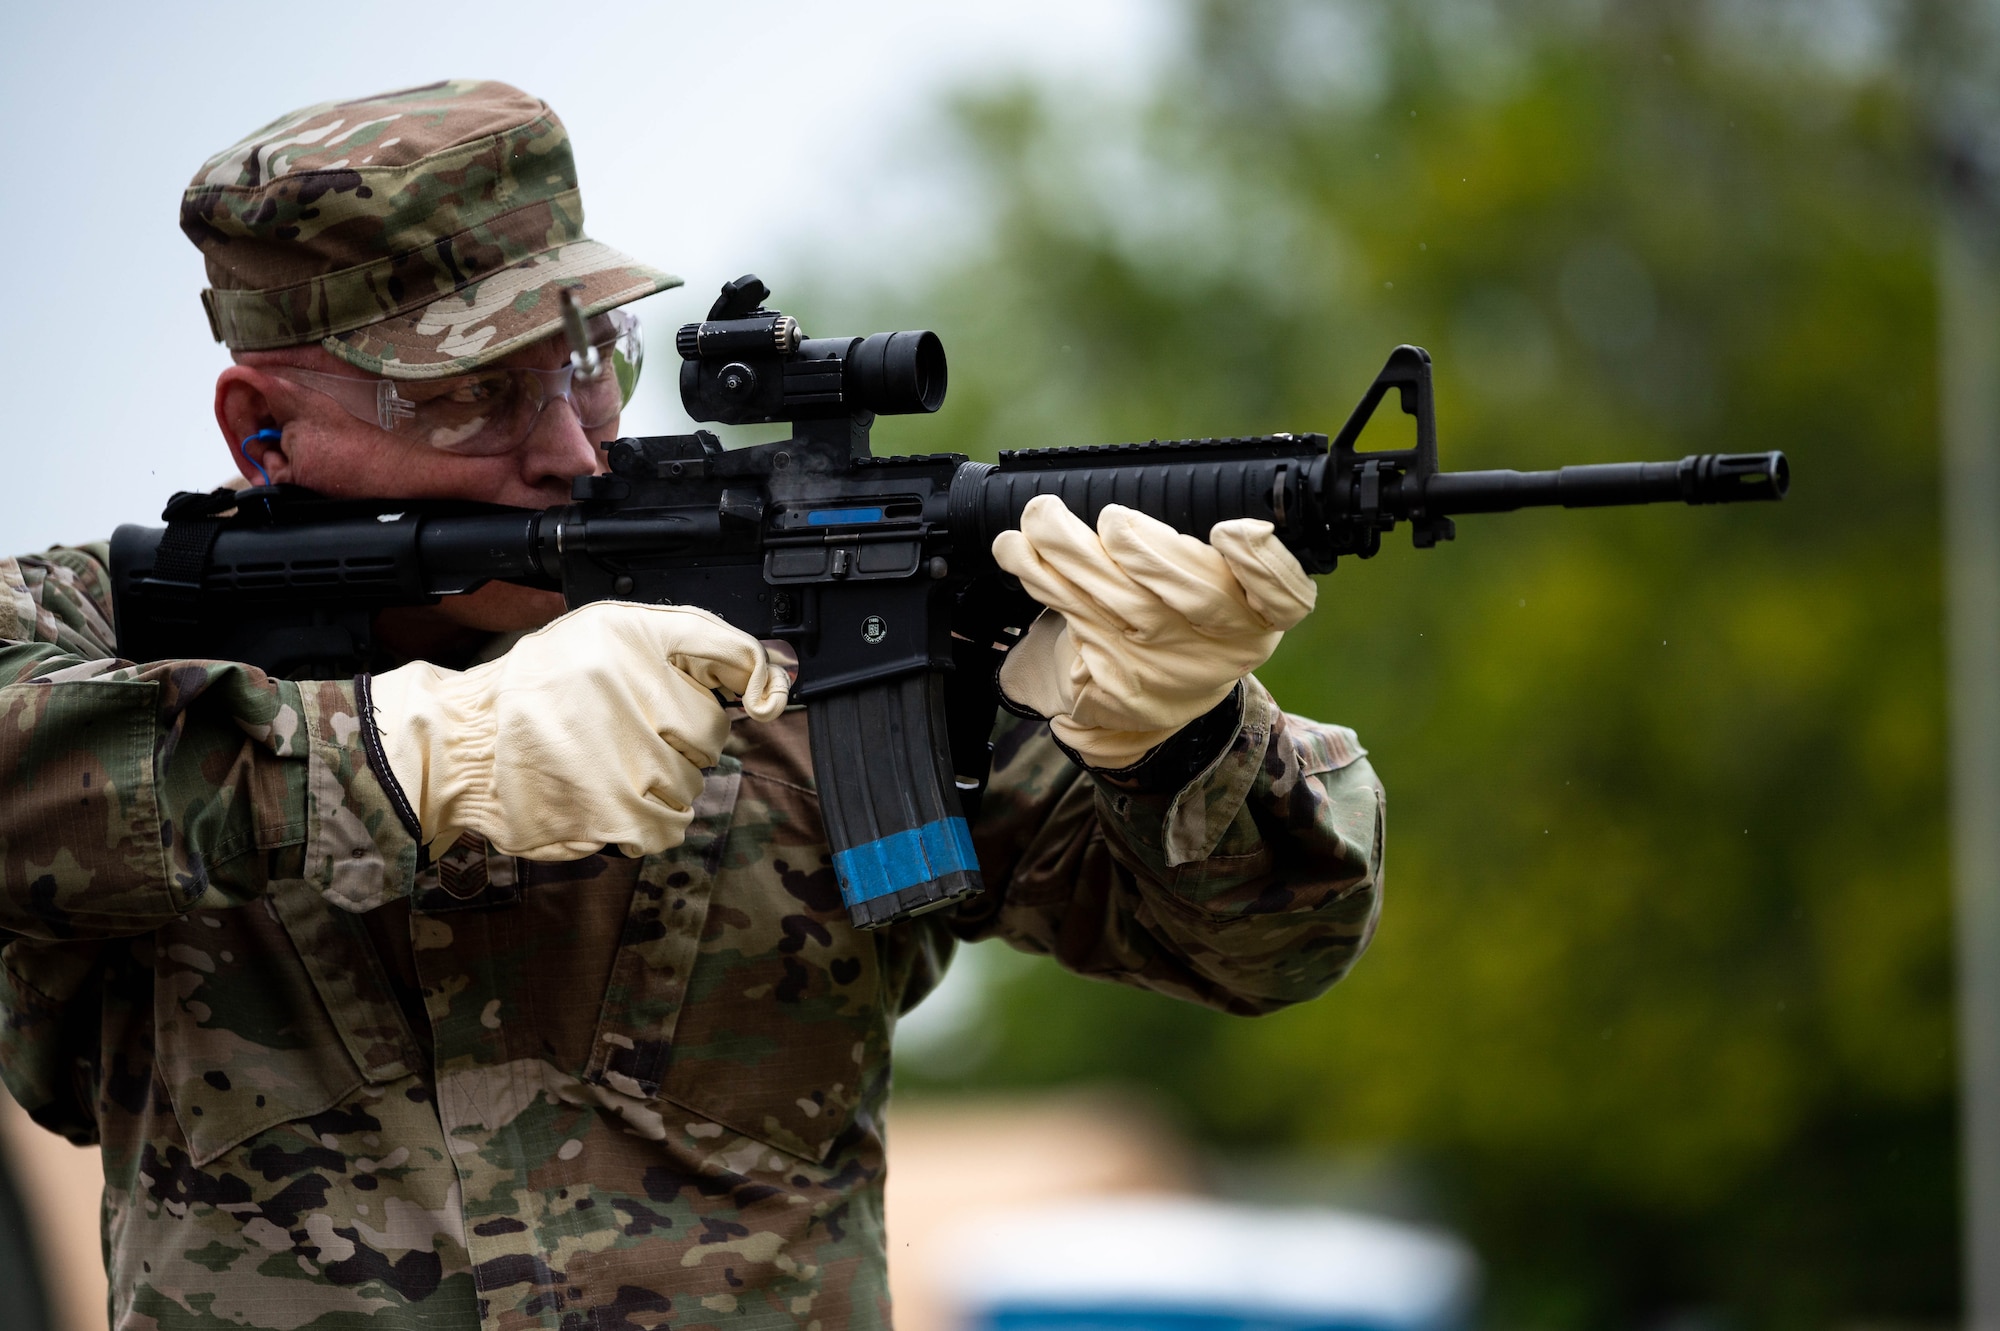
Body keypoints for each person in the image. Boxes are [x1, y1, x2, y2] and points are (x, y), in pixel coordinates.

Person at [0, 80, 1385, 1331]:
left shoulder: (814, 650)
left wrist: (1185, 737)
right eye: (471, 396)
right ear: (260, 427)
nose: (566, 443)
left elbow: (1270, 951)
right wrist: (399, 758)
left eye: (590, 358)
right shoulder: (110, 633)